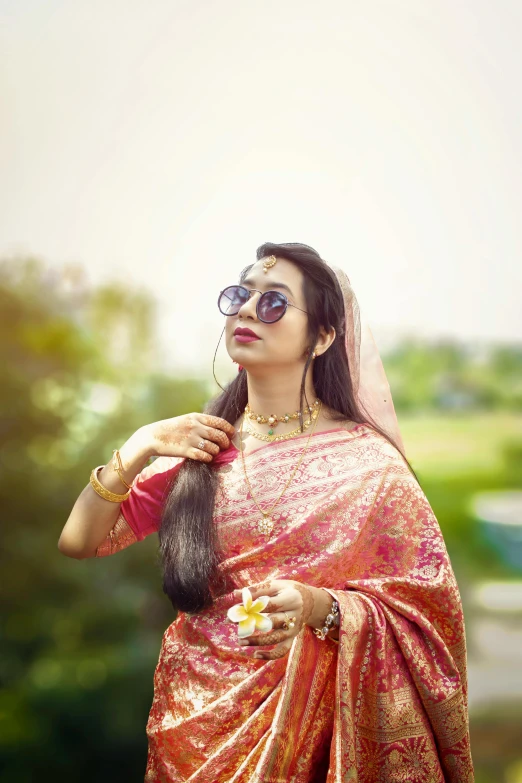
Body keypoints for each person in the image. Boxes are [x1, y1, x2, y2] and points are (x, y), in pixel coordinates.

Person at [58, 242, 474, 782]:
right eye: (240, 295)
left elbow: (425, 621)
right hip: (197, 730)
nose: (248, 310)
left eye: (274, 303)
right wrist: (138, 446)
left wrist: (318, 607)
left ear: (323, 336)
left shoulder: (371, 467)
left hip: (316, 735)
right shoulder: (203, 449)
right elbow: (79, 541)